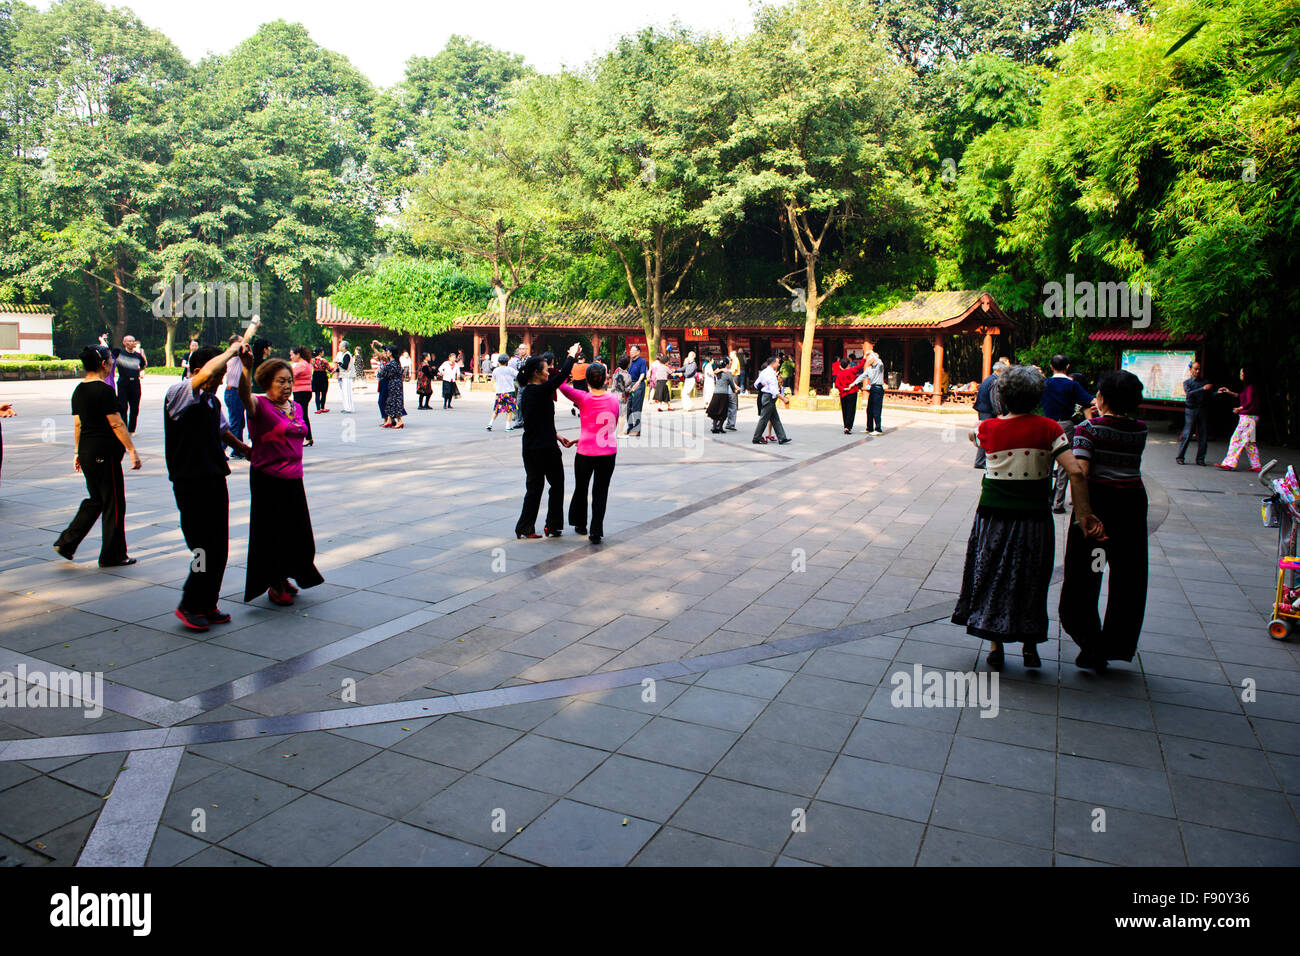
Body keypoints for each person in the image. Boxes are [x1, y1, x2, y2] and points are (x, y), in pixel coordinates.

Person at [952, 365, 1104, 671]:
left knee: (992, 575)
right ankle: (1029, 646)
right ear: (1038, 396)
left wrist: (974, 434)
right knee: (1032, 577)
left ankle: (995, 646)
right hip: (1034, 518)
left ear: (1003, 396)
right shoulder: (1049, 428)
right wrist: (1085, 515)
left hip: (993, 516)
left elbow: (976, 437)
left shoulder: (989, 428)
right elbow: (1074, 471)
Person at [164, 330, 255, 631]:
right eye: (215, 375)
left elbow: (222, 431)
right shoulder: (179, 393)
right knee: (202, 546)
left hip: (215, 476)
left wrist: (243, 448)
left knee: (219, 545)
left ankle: (207, 602)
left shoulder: (212, 403)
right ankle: (189, 604)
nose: (217, 382)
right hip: (190, 481)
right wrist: (231, 350)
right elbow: (207, 376)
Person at [1060, 370, 1148, 672]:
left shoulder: (1089, 429)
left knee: (1085, 574)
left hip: (1098, 503)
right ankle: (1114, 644)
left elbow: (1081, 472)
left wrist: (1085, 514)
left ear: (1103, 398)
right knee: (1127, 577)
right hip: (1132, 506)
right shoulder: (1141, 429)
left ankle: (1090, 642)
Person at [237, 355, 324, 606]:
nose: (286, 386)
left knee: (297, 533)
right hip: (268, 478)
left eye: (289, 381)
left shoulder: (296, 406)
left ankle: (285, 575)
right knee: (271, 534)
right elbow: (244, 395)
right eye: (280, 381)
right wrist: (246, 367)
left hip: (294, 477)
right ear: (267, 383)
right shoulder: (259, 406)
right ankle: (273, 583)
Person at [54, 345, 142, 566]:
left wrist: (77, 452)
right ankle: (113, 555)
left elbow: (78, 425)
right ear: (103, 364)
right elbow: (116, 423)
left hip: (86, 451)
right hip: (104, 453)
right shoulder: (104, 391)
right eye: (111, 360)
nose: (112, 363)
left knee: (96, 500)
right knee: (113, 503)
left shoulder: (79, 390)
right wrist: (132, 450)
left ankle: (66, 542)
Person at [515, 344, 579, 538]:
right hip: (545, 449)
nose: (548, 374)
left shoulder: (529, 392)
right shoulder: (538, 390)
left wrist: (557, 435)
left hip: (533, 446)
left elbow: (539, 421)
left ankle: (525, 527)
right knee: (556, 484)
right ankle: (552, 525)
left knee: (534, 488)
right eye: (545, 371)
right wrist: (571, 355)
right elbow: (562, 376)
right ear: (536, 373)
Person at [561, 362, 620, 543]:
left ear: (586, 380)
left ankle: (580, 523)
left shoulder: (583, 398)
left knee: (581, 487)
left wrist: (569, 363)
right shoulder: (614, 399)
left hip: (585, 451)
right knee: (600, 491)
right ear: (605, 380)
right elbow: (611, 426)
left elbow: (561, 385)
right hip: (607, 451)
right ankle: (596, 530)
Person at [1042, 355, 1095, 513]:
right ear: (1068, 366)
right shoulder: (1072, 385)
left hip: (1047, 424)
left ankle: (1045, 499)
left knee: (1046, 462)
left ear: (1051, 366)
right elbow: (1089, 401)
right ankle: (1058, 503)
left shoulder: (1044, 384)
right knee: (1064, 464)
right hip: (1066, 424)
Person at [1216, 366, 1262, 471]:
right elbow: (1242, 397)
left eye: (1242, 373)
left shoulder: (1250, 387)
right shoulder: (1250, 387)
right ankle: (1256, 466)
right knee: (1250, 442)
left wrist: (1239, 408)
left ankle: (1229, 463)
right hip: (1253, 418)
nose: (1240, 375)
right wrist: (1229, 392)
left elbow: (1249, 401)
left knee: (1236, 439)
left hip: (1248, 418)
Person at [972, 360, 1008, 468]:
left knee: (985, 435)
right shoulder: (995, 381)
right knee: (986, 436)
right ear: (999, 370)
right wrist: (999, 413)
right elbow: (995, 399)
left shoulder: (989, 379)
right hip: (987, 412)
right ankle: (980, 461)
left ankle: (983, 460)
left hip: (983, 410)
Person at [1176, 360, 1213, 465]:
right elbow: (1189, 394)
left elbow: (1210, 395)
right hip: (1191, 410)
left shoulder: (1205, 382)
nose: (1197, 371)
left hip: (1202, 410)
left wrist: (1217, 392)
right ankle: (1180, 456)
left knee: (1203, 435)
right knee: (1187, 434)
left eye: (1199, 369)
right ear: (1190, 370)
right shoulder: (1187, 382)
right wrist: (1202, 389)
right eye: (1195, 369)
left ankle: (1200, 459)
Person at [110, 335, 147, 433]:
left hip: (135, 382)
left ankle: (132, 429)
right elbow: (109, 351)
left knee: (135, 407)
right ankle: (124, 427)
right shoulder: (119, 353)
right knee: (123, 407)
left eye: (133, 341)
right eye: (129, 341)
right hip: (123, 382)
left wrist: (135, 371)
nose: (131, 343)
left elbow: (143, 366)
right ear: (124, 342)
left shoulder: (138, 355)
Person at [752, 356, 792, 445]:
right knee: (764, 419)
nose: (778, 364)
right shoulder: (771, 374)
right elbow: (774, 390)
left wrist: (762, 386)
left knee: (775, 418)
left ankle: (782, 437)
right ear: (773, 363)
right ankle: (756, 438)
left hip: (767, 397)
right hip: (769, 397)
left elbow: (756, 384)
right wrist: (784, 399)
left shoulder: (764, 372)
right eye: (777, 362)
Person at [222, 334, 247, 459]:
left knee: (239, 422)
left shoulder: (236, 355)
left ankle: (237, 450)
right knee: (235, 423)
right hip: (233, 392)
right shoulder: (234, 355)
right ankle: (221, 448)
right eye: (240, 342)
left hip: (237, 392)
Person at [832, 352, 866, 434]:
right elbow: (860, 365)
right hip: (852, 392)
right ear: (848, 365)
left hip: (843, 394)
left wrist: (843, 388)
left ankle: (845, 426)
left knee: (845, 410)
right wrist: (864, 357)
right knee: (851, 410)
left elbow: (836, 384)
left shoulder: (839, 373)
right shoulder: (852, 370)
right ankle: (848, 427)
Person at [290, 347, 314, 447]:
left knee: (301, 415)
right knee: (302, 415)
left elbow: (291, 374)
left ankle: (308, 438)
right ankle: (306, 437)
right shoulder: (307, 364)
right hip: (305, 391)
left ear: (298, 354)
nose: (290, 357)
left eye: (292, 354)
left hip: (301, 392)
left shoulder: (301, 365)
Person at [487, 354, 519, 431]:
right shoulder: (510, 369)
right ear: (507, 361)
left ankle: (490, 423)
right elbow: (518, 375)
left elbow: (493, 380)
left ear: (499, 361)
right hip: (509, 392)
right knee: (509, 409)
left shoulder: (495, 370)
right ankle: (507, 426)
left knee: (497, 409)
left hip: (499, 392)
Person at [377, 345, 406, 428]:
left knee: (394, 402)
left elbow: (381, 374)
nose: (387, 352)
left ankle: (399, 421)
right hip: (397, 383)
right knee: (392, 401)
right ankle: (389, 420)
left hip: (393, 384)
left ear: (391, 353)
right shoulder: (397, 362)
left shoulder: (390, 364)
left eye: (388, 351)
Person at [708, 360, 738, 434]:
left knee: (716, 411)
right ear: (727, 365)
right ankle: (720, 427)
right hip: (724, 394)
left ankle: (714, 427)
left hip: (716, 394)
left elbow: (712, 373)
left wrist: (721, 369)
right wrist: (735, 390)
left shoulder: (717, 373)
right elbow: (732, 384)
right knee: (723, 411)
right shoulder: (728, 373)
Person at [860, 351, 886, 434]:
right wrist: (852, 384)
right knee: (869, 410)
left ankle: (878, 429)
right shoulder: (869, 369)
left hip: (878, 389)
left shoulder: (880, 367)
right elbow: (862, 376)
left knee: (876, 410)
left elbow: (879, 362)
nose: (868, 359)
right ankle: (869, 428)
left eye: (869, 358)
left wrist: (872, 353)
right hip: (872, 389)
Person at [626, 345, 648, 436]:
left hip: (638, 385)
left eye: (633, 351)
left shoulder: (642, 361)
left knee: (636, 407)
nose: (631, 352)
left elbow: (642, 373)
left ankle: (637, 429)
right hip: (630, 385)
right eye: (630, 351)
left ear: (638, 352)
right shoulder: (630, 362)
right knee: (628, 407)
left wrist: (638, 383)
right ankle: (630, 427)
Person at [335, 339, 356, 414]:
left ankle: (348, 408)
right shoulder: (344, 354)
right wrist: (336, 370)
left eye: (340, 345)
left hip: (347, 376)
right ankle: (347, 407)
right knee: (345, 392)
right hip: (345, 376)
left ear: (344, 347)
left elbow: (345, 366)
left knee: (347, 392)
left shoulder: (347, 354)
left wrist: (338, 362)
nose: (339, 346)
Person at [310, 347, 332, 413]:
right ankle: (322, 407)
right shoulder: (323, 360)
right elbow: (329, 369)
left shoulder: (312, 360)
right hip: (323, 376)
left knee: (317, 393)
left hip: (315, 375)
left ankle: (318, 409)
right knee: (323, 392)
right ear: (320, 353)